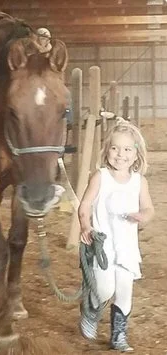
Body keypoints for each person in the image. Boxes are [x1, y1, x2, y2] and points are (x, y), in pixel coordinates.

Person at [78, 120, 154, 352]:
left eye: (127, 149)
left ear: (136, 154)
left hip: (127, 247)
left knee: (124, 291)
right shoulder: (100, 176)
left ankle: (118, 335)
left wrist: (142, 216)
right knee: (105, 289)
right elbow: (85, 205)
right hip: (103, 246)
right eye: (115, 148)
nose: (120, 154)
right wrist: (85, 226)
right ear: (107, 149)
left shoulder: (139, 182)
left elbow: (150, 210)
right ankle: (91, 310)